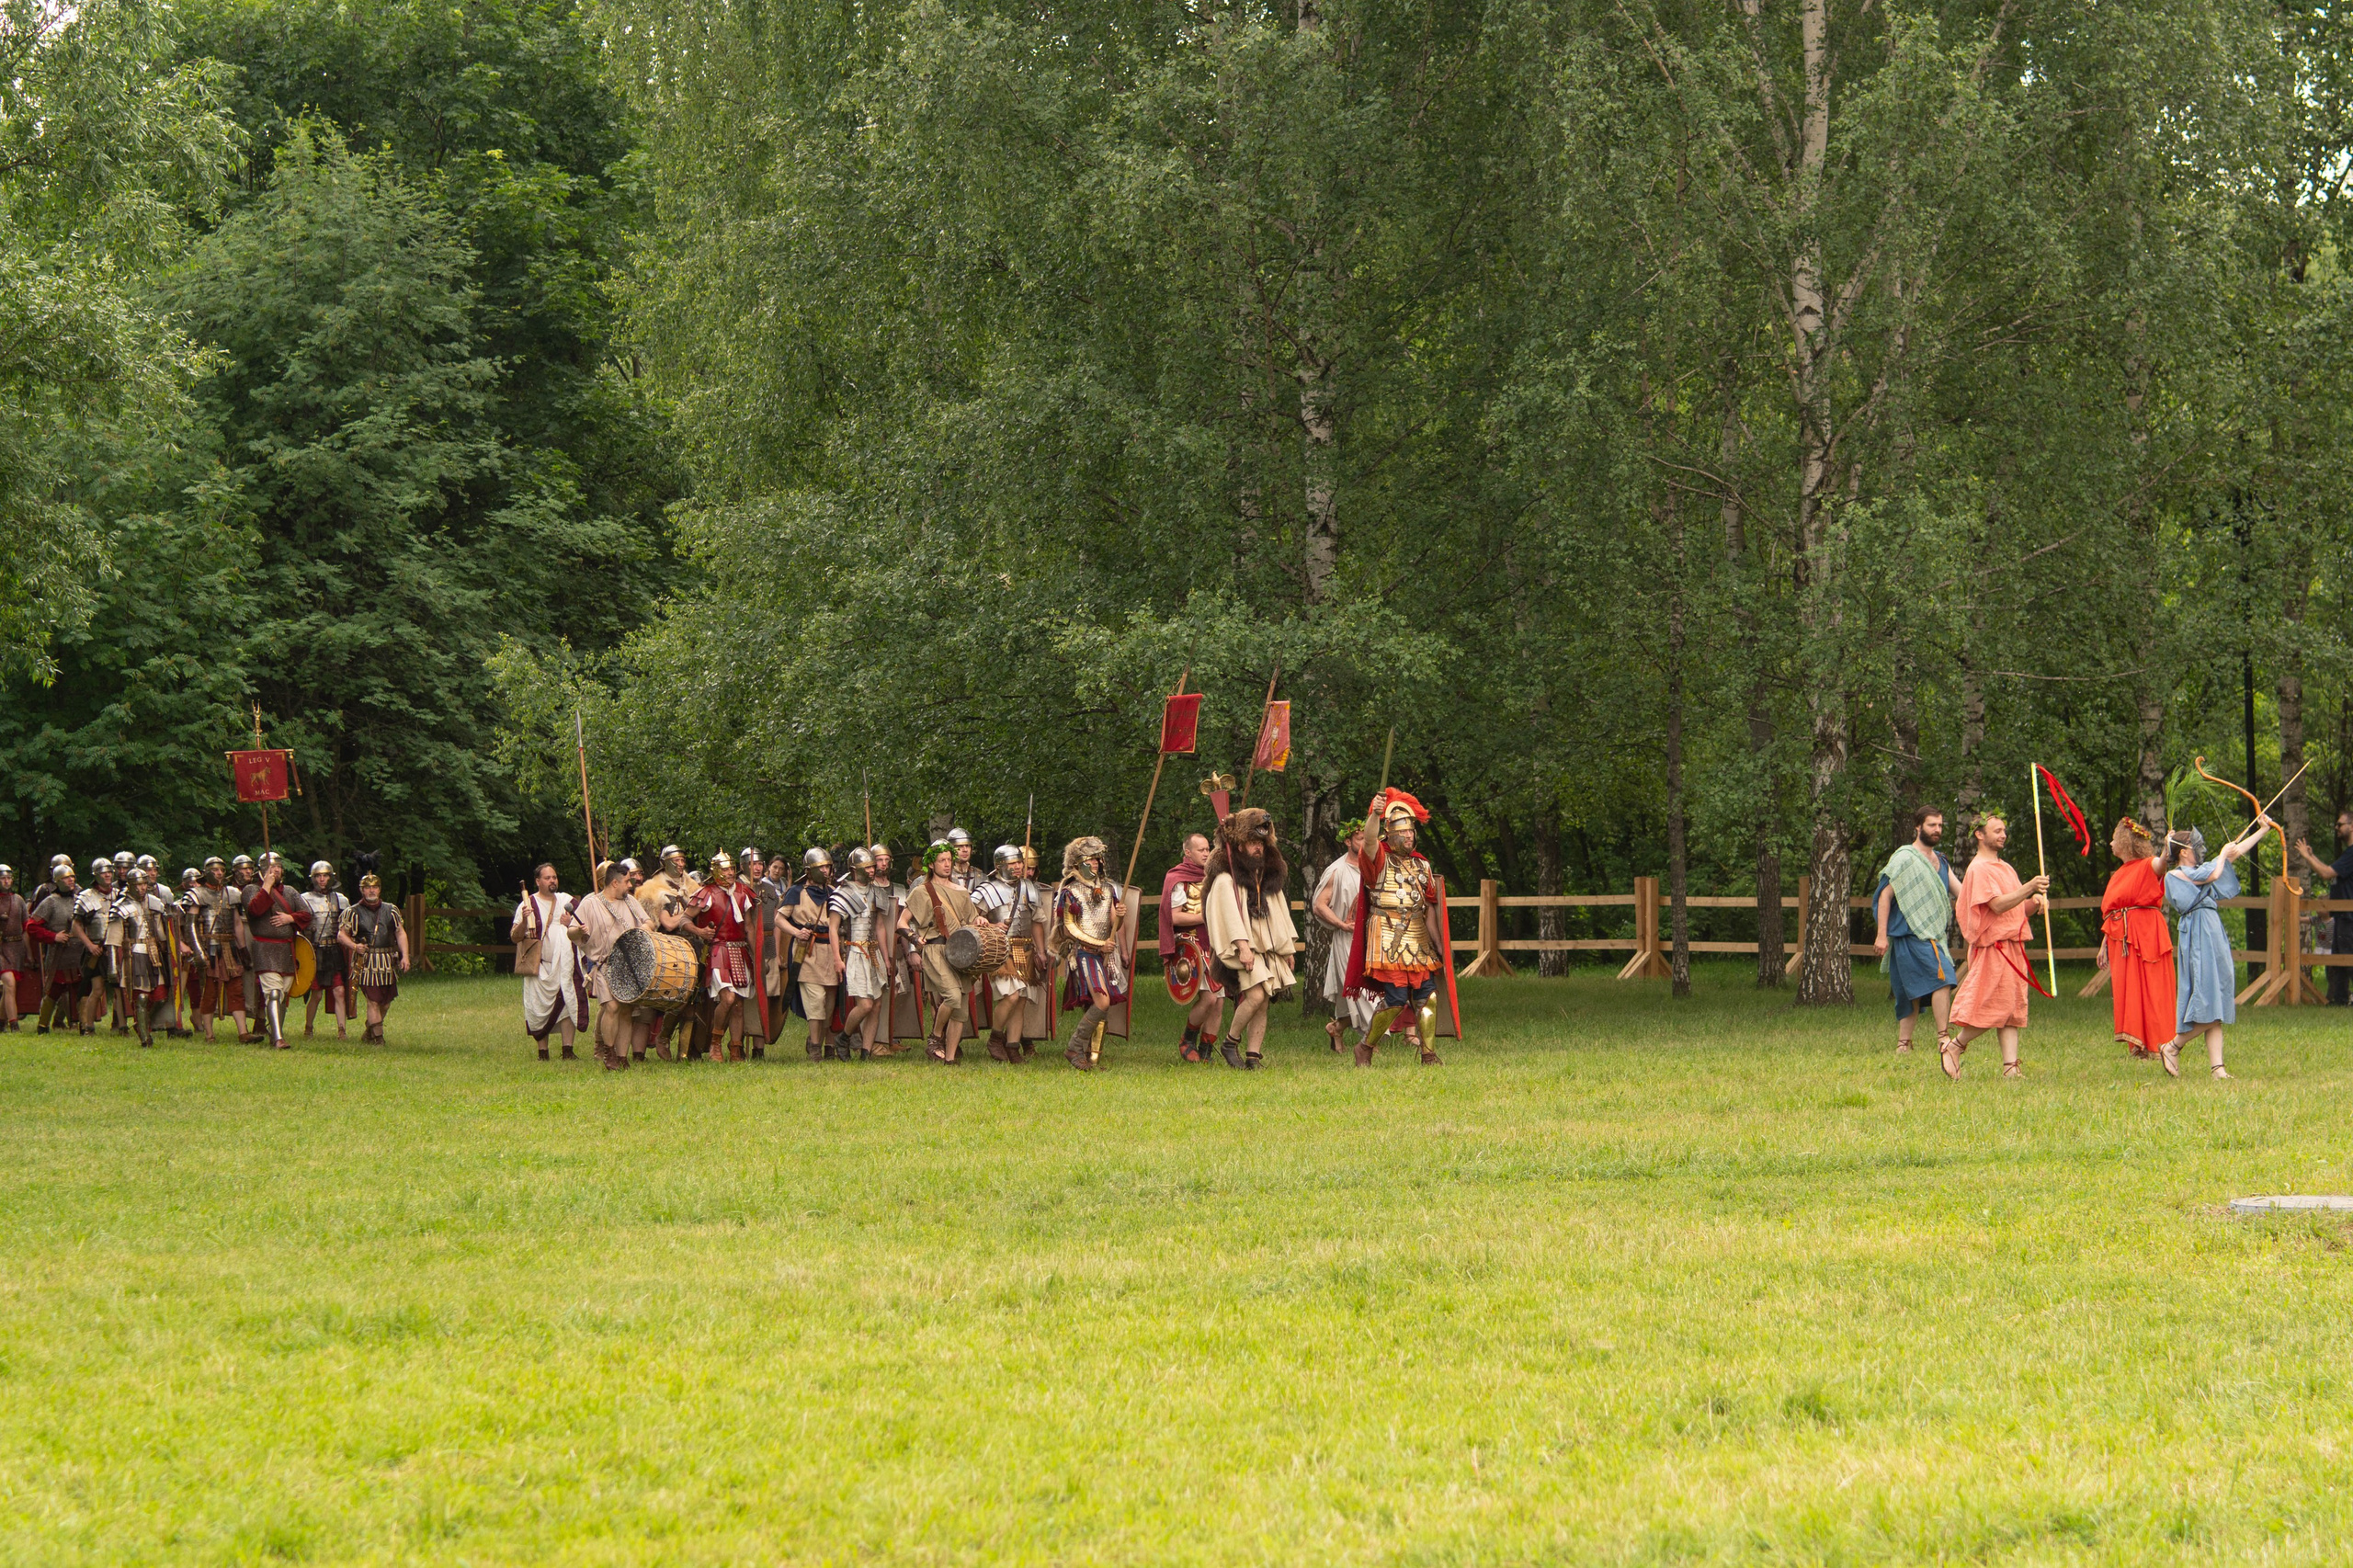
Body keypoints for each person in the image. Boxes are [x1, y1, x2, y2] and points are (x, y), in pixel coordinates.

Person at [1346, 790, 1449, 1066]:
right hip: (1388, 932)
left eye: (1411, 832)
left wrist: (1439, 947)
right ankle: (1365, 1047)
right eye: (1403, 833)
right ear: (1389, 835)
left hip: (1417, 937)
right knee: (1396, 998)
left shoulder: (1422, 865)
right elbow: (1368, 839)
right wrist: (1375, 814)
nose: (1409, 837)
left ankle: (1428, 1054)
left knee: (1428, 996)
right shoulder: (1378, 859)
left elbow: (1429, 911)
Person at [1946, 812, 2051, 1081]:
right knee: (1992, 1006)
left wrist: (2035, 903)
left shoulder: (2005, 867)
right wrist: (2029, 888)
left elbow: (2015, 910)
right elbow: (1996, 905)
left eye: (2004, 830)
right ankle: (1955, 1046)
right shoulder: (1978, 869)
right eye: (1996, 831)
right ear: (1980, 835)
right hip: (1994, 946)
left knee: (2011, 1008)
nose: (2003, 835)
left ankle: (2010, 1068)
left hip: (2012, 944)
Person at [2165, 818, 2269, 1080]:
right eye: (2194, 846)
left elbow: (2235, 853)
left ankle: (2217, 1068)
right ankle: (2172, 1046)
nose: (2200, 849)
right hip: (2198, 935)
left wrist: (2264, 829)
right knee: (2207, 994)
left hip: (2212, 932)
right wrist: (2222, 854)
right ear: (2184, 851)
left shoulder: (2203, 869)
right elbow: (2211, 873)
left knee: (2218, 993)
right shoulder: (2175, 875)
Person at [1201, 808, 1298, 1071]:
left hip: (1268, 948)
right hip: (1245, 950)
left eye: (1261, 844)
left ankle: (1253, 1056)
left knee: (1264, 1002)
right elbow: (1228, 917)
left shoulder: (1265, 876)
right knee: (1255, 997)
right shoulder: (1224, 880)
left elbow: (1280, 912)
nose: (1258, 849)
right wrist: (1242, 947)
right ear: (1240, 846)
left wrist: (1287, 948)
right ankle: (1230, 1043)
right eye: (1253, 843)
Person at [1871, 807, 1963, 1058]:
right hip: (1906, 935)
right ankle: (1911, 1042)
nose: (1937, 830)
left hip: (1933, 936)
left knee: (1940, 981)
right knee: (1909, 990)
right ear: (1918, 826)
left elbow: (1964, 894)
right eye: (1932, 825)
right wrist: (1881, 935)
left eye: (1941, 826)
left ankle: (1937, 1038)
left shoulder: (1941, 862)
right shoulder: (1904, 859)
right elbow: (1885, 897)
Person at [2097, 815, 2175, 1058]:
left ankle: (2158, 1043)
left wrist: (2167, 848)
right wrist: (2103, 947)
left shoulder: (2147, 864)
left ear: (2125, 841)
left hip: (2146, 933)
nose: (2110, 843)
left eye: (2113, 838)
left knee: (2151, 986)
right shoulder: (2118, 873)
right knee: (2128, 989)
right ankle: (2138, 1045)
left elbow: (2161, 866)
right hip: (2119, 938)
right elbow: (2112, 913)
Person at [1051, 835, 1128, 1071]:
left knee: (1095, 1005)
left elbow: (1115, 925)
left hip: (1104, 954)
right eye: (1089, 860)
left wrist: (1121, 914)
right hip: (1084, 954)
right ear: (1077, 863)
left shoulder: (1107, 889)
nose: (1095, 864)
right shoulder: (1070, 892)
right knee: (1102, 1001)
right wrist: (1097, 945)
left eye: (1097, 859)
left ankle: (1087, 1055)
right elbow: (1070, 928)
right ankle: (1074, 1047)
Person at [563, 858, 650, 1069]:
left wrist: (645, 930)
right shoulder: (590, 903)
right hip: (604, 964)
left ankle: (622, 1057)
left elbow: (648, 921)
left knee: (627, 1010)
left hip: (629, 965)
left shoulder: (630, 901)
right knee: (611, 1006)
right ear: (615, 883)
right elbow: (571, 931)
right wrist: (579, 931)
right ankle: (608, 1052)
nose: (631, 885)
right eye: (627, 881)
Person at [907, 840, 981, 1063]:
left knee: (960, 1011)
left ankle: (949, 1059)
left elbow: (971, 920)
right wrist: (912, 938)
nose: (947, 864)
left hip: (959, 952)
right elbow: (901, 922)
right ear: (932, 864)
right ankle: (935, 1038)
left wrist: (979, 919)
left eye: (949, 860)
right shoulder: (921, 891)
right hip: (935, 949)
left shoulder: (961, 891)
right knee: (952, 995)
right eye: (942, 860)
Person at [974, 844, 1048, 1063]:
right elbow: (972, 919)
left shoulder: (1029, 888)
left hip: (1025, 949)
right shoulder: (987, 889)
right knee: (1011, 995)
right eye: (1012, 863)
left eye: (1019, 863)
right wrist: (985, 923)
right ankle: (996, 1038)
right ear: (999, 866)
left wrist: (1041, 952)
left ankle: (1013, 1046)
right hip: (999, 949)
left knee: (1022, 999)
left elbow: (1036, 923)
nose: (1018, 867)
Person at [1160, 832, 1229, 1063]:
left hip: (1213, 943)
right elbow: (1175, 917)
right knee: (1209, 999)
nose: (1207, 853)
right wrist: (1204, 916)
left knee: (1219, 1001)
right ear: (1187, 852)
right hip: (1190, 945)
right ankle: (1187, 1039)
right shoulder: (1178, 878)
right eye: (1201, 850)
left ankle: (1207, 1048)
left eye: (1208, 849)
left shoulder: (1214, 877)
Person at [1311, 823, 1378, 1056]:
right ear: (1348, 842)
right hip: (1347, 939)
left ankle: (1336, 1028)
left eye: (1366, 839)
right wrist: (1341, 924)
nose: (1364, 843)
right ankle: (1370, 1043)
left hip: (1373, 939)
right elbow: (1319, 906)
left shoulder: (1373, 867)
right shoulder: (1337, 871)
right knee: (1364, 992)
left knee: (1366, 993)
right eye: (1359, 839)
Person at [686, 850, 756, 1063]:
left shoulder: (744, 892)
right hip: (718, 951)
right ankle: (715, 1041)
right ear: (716, 871)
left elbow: (750, 928)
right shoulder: (706, 893)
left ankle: (735, 1049)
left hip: (740, 951)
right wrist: (699, 932)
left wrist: (756, 957)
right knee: (728, 998)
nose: (730, 873)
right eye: (725, 869)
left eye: (732, 868)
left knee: (738, 1005)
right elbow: (684, 919)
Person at [512, 861, 587, 1061]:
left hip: (564, 966)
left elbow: (583, 925)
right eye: (547, 878)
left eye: (554, 877)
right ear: (538, 881)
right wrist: (523, 921)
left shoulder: (566, 900)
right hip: (540, 966)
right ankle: (543, 1052)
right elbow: (515, 937)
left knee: (567, 1004)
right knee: (538, 1007)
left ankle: (568, 1050)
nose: (552, 881)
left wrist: (569, 923)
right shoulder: (527, 904)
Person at [637, 846, 706, 1060]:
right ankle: (663, 1037)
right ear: (665, 862)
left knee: (694, 1000)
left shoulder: (692, 886)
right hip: (671, 951)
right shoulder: (654, 889)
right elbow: (666, 924)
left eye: (683, 859)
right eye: (676, 860)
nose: (680, 864)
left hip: (695, 946)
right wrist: (690, 912)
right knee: (681, 997)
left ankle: (686, 1052)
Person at [777, 847, 844, 1061]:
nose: (826, 871)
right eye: (821, 867)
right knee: (816, 1002)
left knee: (829, 1004)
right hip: (807, 953)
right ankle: (816, 1048)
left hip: (830, 952)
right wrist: (797, 932)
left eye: (828, 867)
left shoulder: (833, 892)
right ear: (810, 870)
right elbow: (779, 919)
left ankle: (824, 1044)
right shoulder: (796, 892)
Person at [242, 853, 313, 1049]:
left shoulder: (289, 891)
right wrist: (266, 886)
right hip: (265, 948)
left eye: (279, 867)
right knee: (272, 993)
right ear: (262, 871)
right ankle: (279, 1039)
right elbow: (255, 910)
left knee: (281, 996)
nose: (277, 870)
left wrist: (290, 919)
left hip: (288, 950)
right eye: (272, 868)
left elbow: (307, 915)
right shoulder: (251, 890)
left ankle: (275, 1033)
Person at [835, 847, 894, 1059]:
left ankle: (866, 1052)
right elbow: (833, 928)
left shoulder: (876, 892)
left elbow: (879, 927)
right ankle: (843, 1037)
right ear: (854, 870)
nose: (872, 870)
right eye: (867, 867)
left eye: (872, 866)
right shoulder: (844, 893)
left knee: (876, 1005)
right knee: (865, 1004)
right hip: (855, 951)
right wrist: (836, 958)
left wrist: (886, 958)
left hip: (874, 952)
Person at [339, 874, 410, 1042]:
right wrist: (355, 946)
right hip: (366, 962)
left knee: (385, 1003)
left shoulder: (391, 910)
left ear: (379, 889)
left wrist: (405, 956)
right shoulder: (352, 912)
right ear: (362, 890)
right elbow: (341, 935)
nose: (372, 890)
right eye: (368, 887)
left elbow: (400, 933)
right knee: (372, 1000)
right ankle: (378, 1039)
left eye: (375, 887)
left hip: (386, 961)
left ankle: (370, 1030)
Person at [113, 867, 178, 1047]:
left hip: (154, 953)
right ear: (131, 886)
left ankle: (141, 1024)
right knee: (141, 997)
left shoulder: (155, 902)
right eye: (138, 885)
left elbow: (162, 932)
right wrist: (113, 966)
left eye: (144, 884)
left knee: (161, 997)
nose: (142, 888)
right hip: (135, 954)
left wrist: (170, 952)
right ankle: (145, 1038)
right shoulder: (121, 906)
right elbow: (113, 939)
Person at [2293, 810, 2353, 1006]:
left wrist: (2306, 857)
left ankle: (2341, 999)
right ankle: (2339, 1000)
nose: (2336, 828)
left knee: (2347, 960)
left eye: (2340, 824)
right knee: (2338, 962)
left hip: (2348, 917)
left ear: (2351, 827)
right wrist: (2313, 857)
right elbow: (2332, 872)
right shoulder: (2347, 854)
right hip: (2342, 916)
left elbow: (2327, 874)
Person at [188, 858, 251, 1042]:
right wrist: (198, 951)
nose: (219, 873)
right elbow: (190, 926)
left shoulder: (231, 893)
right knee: (210, 991)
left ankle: (243, 1032)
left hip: (230, 948)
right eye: (215, 870)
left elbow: (238, 924)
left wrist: (243, 949)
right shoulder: (197, 894)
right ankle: (209, 1034)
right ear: (207, 872)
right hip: (210, 948)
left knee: (236, 988)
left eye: (222, 870)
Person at [26, 862, 85, 1035]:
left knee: (81, 990)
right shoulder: (50, 902)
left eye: (72, 877)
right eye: (67, 878)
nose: (71, 880)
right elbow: (32, 927)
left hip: (78, 953)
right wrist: (53, 937)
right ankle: (43, 1025)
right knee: (53, 991)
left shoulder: (80, 899)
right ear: (58, 881)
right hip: (59, 955)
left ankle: (84, 1025)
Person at [299, 862, 353, 1040]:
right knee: (316, 994)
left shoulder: (341, 899)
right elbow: (301, 927)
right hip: (315, 951)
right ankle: (308, 1027)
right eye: (318, 876)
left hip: (334, 951)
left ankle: (341, 1030)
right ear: (313, 878)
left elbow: (348, 927)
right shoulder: (304, 898)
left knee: (339, 991)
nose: (322, 879)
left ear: (331, 877)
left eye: (325, 875)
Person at [73, 859, 119, 1036]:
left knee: (118, 989)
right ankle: (88, 1026)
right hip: (96, 950)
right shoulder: (86, 896)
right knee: (97, 989)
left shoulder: (120, 894)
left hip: (114, 947)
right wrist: (90, 945)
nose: (107, 875)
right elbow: (76, 926)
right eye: (103, 872)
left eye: (109, 872)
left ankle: (121, 1026)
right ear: (96, 875)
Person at [0, 864, 25, 1032]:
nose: (6, 881)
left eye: (9, 878)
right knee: (9, 983)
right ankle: (14, 1024)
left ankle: (1, 1022)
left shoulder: (19, 900)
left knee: (10, 986)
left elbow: (26, 926)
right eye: (3, 878)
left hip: (16, 947)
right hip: (0, 948)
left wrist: (30, 953)